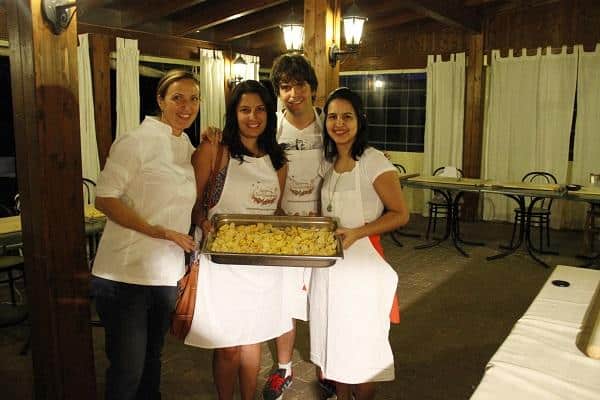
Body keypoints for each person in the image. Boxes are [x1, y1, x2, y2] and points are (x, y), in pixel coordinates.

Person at [201, 55, 324, 400]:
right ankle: (268, 376)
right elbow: (196, 201)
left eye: (300, 84)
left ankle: (318, 370)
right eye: (285, 87)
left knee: (271, 327)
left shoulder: (309, 138)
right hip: (235, 255)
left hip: (288, 246)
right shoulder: (232, 145)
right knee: (239, 336)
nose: (253, 117)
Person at [91, 69, 199, 400]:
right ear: (160, 100)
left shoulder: (185, 144)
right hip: (124, 276)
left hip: (164, 276)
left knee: (152, 362)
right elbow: (104, 198)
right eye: (177, 98)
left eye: (194, 99)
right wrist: (157, 231)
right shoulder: (135, 141)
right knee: (128, 370)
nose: (186, 106)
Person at [185, 80, 290, 400]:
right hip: (222, 264)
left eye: (260, 110)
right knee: (229, 346)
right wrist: (204, 222)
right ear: (234, 114)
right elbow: (190, 205)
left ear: (269, 115)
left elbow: (275, 212)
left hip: (262, 265)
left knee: (253, 341)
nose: (253, 117)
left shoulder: (278, 159)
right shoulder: (214, 150)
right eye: (245, 110)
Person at [310, 87, 409, 400]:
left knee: (363, 346)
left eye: (347, 117)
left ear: (360, 121)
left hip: (363, 268)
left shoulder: (373, 160)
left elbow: (400, 214)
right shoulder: (326, 163)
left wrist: (358, 232)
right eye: (333, 117)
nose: (339, 123)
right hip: (329, 270)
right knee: (335, 343)